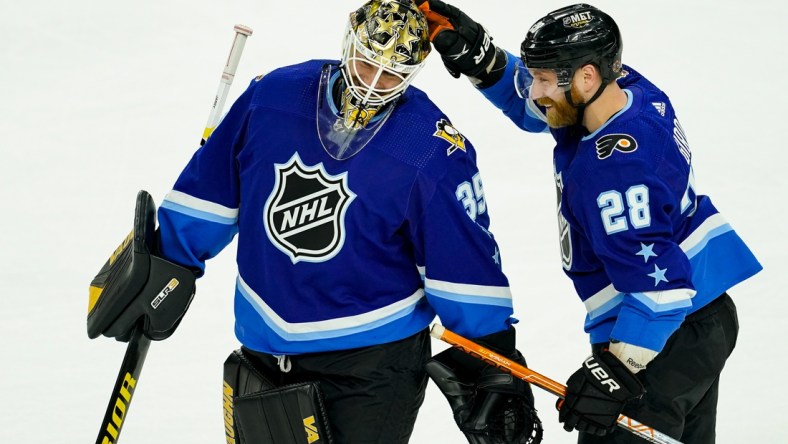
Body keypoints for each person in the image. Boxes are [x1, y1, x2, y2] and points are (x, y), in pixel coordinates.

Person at [88, 1, 544, 443]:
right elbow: (211, 190)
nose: (372, 85)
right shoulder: (272, 97)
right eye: (367, 64)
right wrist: (166, 258)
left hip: (370, 366)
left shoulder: (433, 151)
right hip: (263, 348)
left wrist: (493, 361)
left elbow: (461, 266)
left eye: (391, 75)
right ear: (349, 41)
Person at [414, 1, 762, 443]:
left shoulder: (615, 173)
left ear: (586, 77)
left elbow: (663, 291)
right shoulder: (625, 91)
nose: (533, 89)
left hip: (659, 335)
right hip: (703, 317)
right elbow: (540, 109)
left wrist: (615, 371)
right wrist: (484, 60)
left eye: (541, 79)